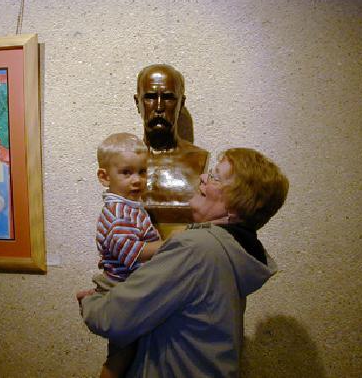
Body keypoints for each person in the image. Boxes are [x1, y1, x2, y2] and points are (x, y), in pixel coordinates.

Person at [78, 147, 289, 377]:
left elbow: (114, 319)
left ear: (235, 203)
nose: (203, 177)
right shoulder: (232, 250)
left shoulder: (197, 248)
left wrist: (91, 301)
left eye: (215, 177)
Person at [76, 132, 164, 378]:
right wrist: (167, 245)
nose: (137, 180)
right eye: (126, 173)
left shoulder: (130, 207)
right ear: (105, 177)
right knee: (121, 355)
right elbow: (132, 254)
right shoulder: (118, 212)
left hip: (126, 284)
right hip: (122, 287)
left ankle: (93, 296)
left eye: (142, 172)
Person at [134, 64, 209, 221]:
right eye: (150, 97)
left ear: (181, 103)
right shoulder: (122, 162)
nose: (159, 107)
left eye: (168, 98)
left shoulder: (198, 159)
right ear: (137, 103)